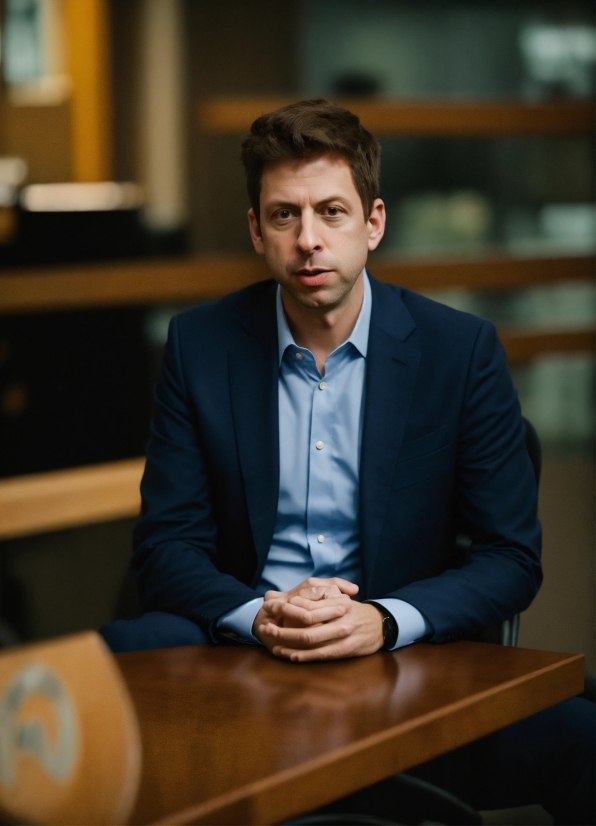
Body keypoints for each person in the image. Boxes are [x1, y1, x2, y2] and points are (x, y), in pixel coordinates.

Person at [101, 100, 594, 824]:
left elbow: (510, 558)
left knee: (583, 738)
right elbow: (167, 548)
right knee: (71, 684)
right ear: (255, 231)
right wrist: (260, 614)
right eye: (283, 216)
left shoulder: (460, 352)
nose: (308, 240)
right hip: (238, 651)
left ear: (373, 224)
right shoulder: (200, 346)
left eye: (332, 212)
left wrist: (383, 621)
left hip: (402, 666)